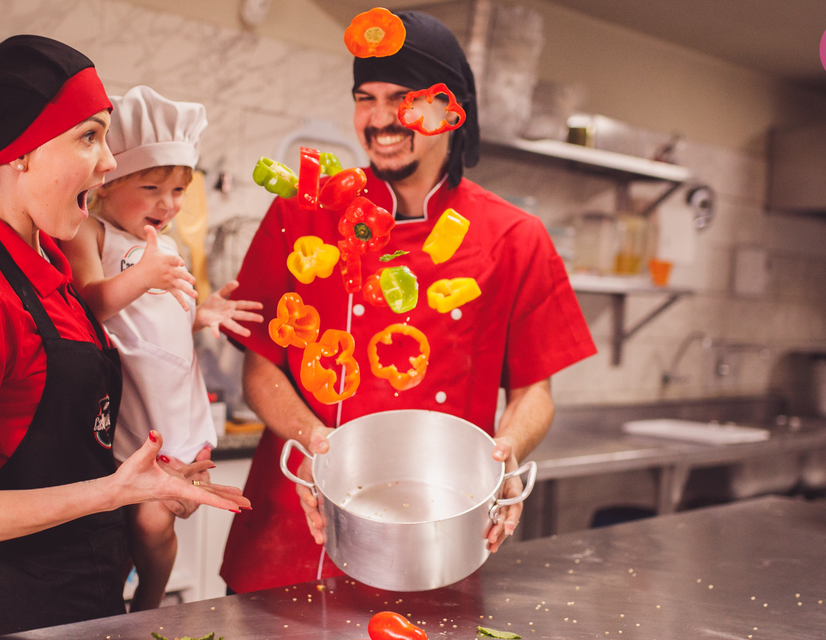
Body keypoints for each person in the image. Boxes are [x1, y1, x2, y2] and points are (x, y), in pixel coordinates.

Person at [219, 12, 597, 594]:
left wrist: (503, 458)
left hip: (438, 539)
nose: (379, 119)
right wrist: (315, 445)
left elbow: (533, 392)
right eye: (365, 98)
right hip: (298, 538)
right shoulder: (302, 214)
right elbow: (260, 365)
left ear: (451, 110)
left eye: (403, 99)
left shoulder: (514, 236)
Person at [0, 36, 249, 640]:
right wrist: (115, 490)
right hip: (14, 622)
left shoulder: (49, 263)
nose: (109, 162)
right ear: (19, 153)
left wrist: (150, 484)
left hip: (89, 592)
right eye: (88, 137)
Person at [58, 85, 262, 610]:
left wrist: (201, 314)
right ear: (105, 184)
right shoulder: (91, 235)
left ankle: (148, 605)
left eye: (179, 190)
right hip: (131, 409)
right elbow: (87, 305)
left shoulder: (166, 245)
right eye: (152, 187)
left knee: (156, 518)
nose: (168, 204)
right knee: (139, 517)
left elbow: (160, 323)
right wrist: (144, 276)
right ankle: (142, 604)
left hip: (177, 406)